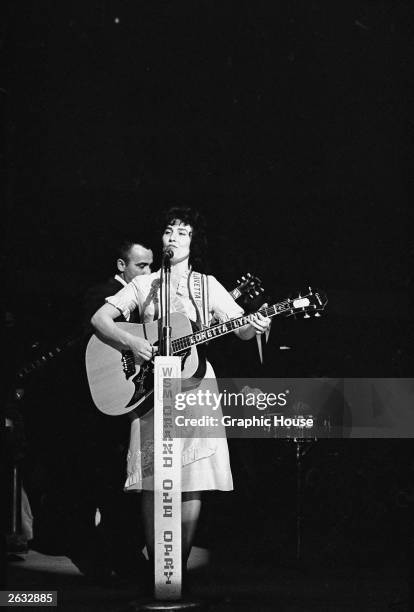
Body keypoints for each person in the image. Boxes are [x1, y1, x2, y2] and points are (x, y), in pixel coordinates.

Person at [90, 207, 271, 585]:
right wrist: (133, 342)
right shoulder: (145, 284)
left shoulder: (208, 285)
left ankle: (178, 573)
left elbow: (238, 328)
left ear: (193, 242)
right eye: (169, 230)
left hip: (195, 385)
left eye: (183, 233)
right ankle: (160, 572)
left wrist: (255, 325)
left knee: (193, 476)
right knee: (153, 477)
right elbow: (100, 320)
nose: (173, 237)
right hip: (152, 389)